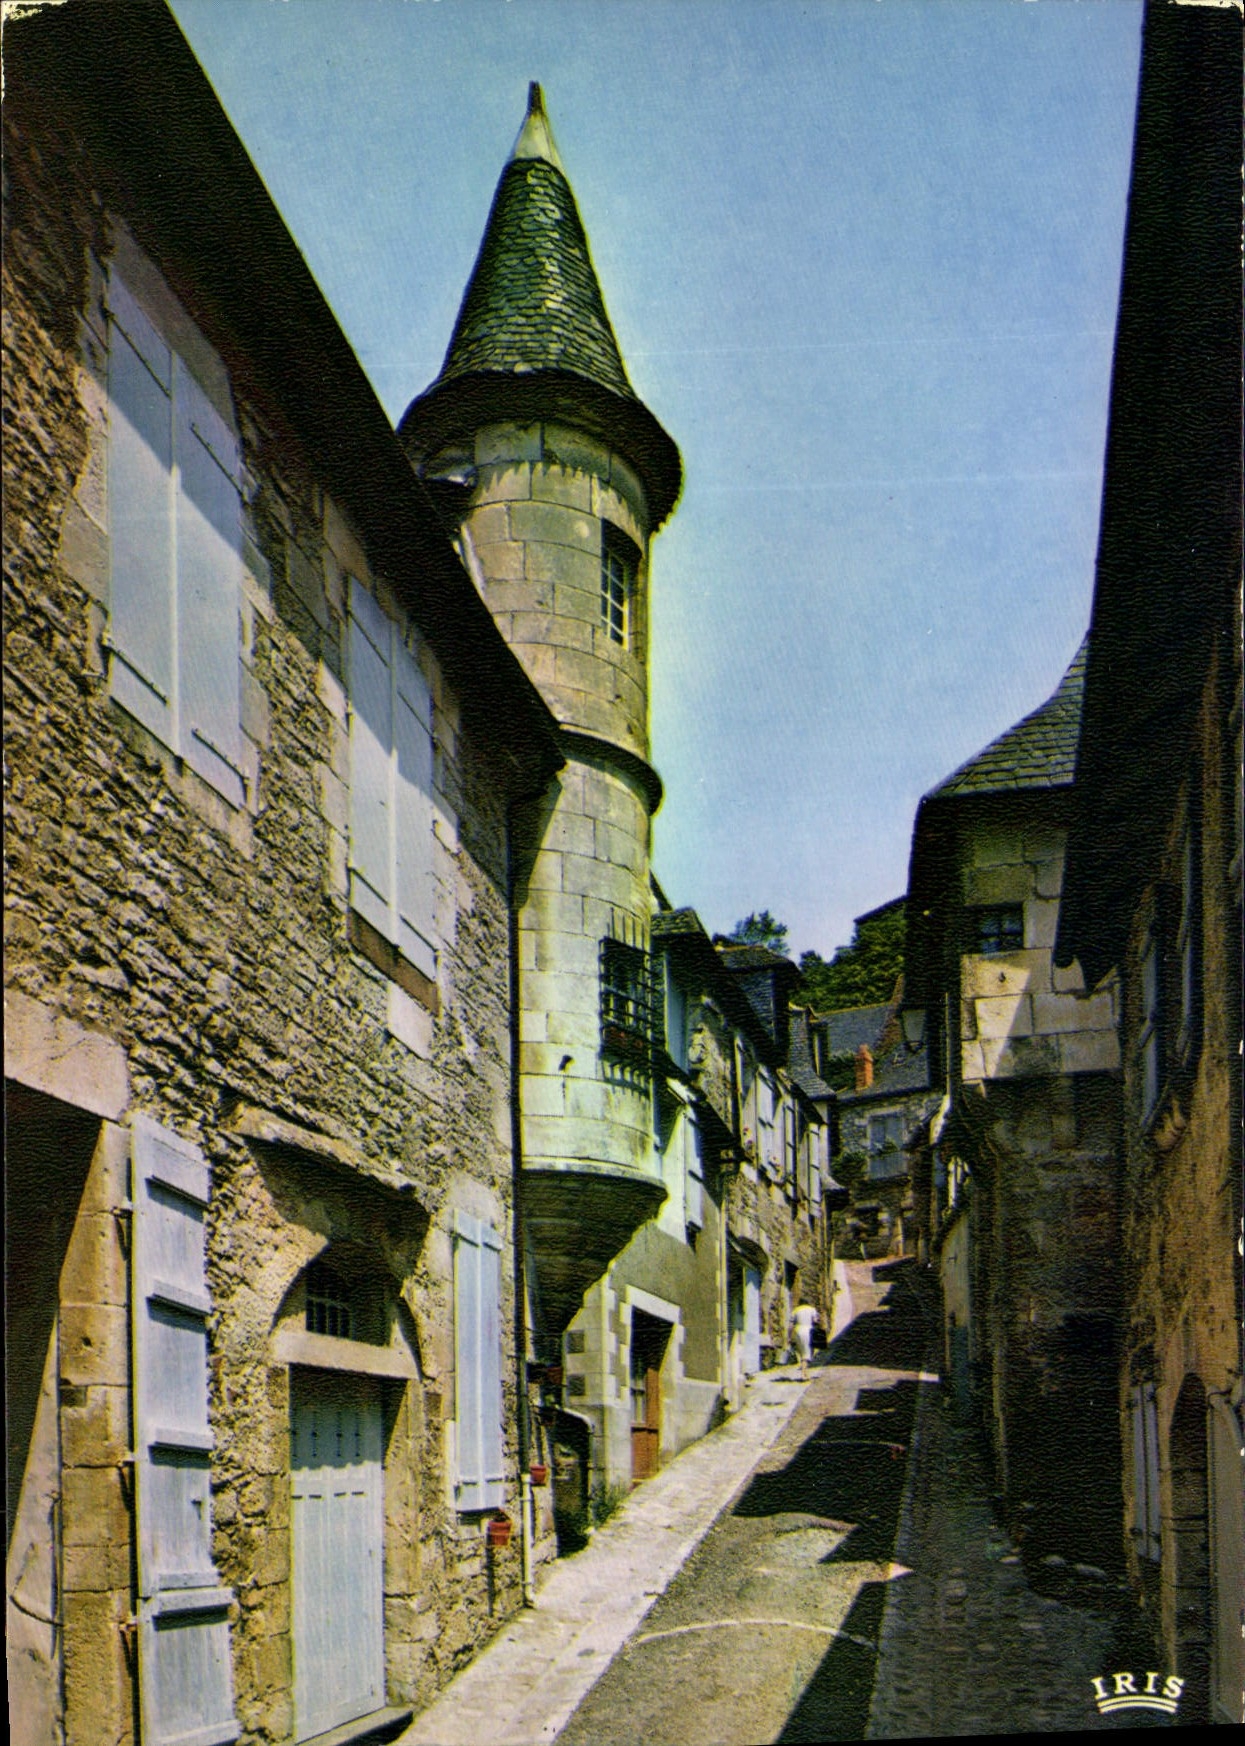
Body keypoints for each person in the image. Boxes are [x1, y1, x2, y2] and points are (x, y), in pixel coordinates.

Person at [791, 1301, 818, 1380]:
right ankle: (803, 1374)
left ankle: (805, 1373)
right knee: (807, 1354)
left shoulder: (796, 1310)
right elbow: (815, 1320)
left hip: (798, 1331)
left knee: (803, 1353)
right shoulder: (812, 1309)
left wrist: (790, 1336)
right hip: (808, 1331)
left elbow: (791, 1324)